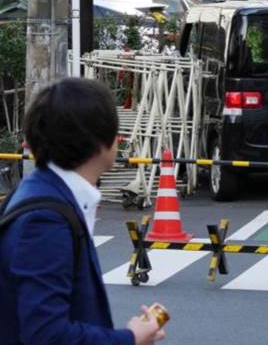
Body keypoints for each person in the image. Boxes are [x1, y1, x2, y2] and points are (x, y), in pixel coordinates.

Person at [0, 78, 166, 345]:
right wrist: (130, 338)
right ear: (98, 139)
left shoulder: (41, 193)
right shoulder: (44, 220)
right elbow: (47, 335)